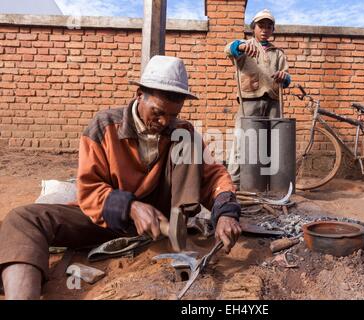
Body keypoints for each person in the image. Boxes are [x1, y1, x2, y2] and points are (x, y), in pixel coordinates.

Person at [0, 55, 242, 300]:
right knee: (23, 219)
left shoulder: (181, 131)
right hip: (106, 219)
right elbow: (89, 189)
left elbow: (213, 176)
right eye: (158, 112)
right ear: (139, 95)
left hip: (162, 226)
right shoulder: (103, 126)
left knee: (187, 139)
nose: (164, 121)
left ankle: (179, 244)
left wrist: (226, 213)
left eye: (172, 114)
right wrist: (130, 207)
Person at [225, 9, 291, 188]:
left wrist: (284, 78)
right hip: (249, 99)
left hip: (273, 100)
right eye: (261, 26)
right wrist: (238, 46)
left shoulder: (278, 53)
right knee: (242, 141)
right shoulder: (246, 46)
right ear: (253, 28)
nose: (265, 30)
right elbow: (229, 50)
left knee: (272, 142)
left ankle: (268, 183)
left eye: (269, 27)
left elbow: (287, 78)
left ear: (272, 30)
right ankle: (233, 183)